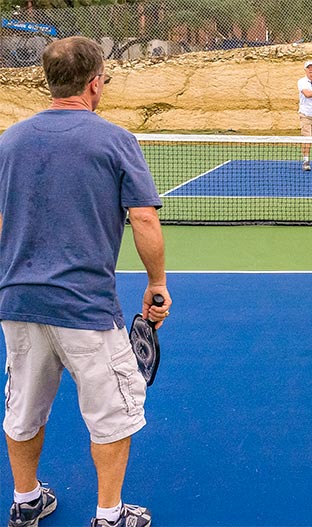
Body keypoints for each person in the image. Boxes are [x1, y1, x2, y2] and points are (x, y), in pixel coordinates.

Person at [0, 36, 171, 525]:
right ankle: (109, 514)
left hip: (18, 302)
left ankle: (26, 499)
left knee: (23, 408)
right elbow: (143, 218)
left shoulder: (8, 140)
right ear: (95, 83)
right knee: (112, 414)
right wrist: (157, 283)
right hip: (86, 309)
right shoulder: (116, 140)